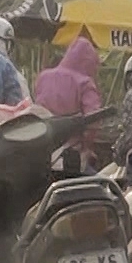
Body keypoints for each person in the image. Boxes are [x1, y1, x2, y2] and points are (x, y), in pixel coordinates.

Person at [33, 36, 103, 167]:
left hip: (41, 148)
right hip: (71, 152)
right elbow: (93, 120)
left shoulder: (43, 77)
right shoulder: (85, 83)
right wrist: (86, 148)